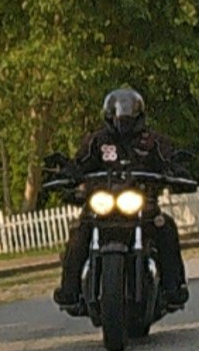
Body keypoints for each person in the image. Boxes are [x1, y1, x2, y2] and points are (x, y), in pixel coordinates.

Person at [53, 86, 189, 313]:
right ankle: (69, 291)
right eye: (118, 113)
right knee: (78, 231)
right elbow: (80, 163)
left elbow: (168, 160)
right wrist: (67, 173)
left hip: (141, 203)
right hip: (102, 205)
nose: (123, 118)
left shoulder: (151, 141)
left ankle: (173, 289)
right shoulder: (97, 141)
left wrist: (176, 170)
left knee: (165, 228)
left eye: (128, 113)